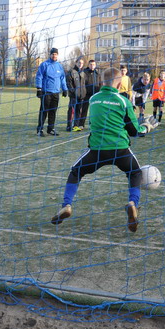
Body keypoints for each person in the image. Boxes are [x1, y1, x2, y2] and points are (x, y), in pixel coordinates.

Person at [51, 67, 158, 232]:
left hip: (97, 151)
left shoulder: (93, 99)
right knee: (135, 172)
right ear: (120, 83)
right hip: (120, 150)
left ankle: (67, 205)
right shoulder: (123, 101)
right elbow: (134, 131)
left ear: (102, 82)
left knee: (76, 172)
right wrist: (146, 127)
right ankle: (132, 203)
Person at [35, 48, 68, 137]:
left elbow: (62, 78)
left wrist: (65, 89)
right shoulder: (44, 65)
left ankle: (50, 129)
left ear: (57, 55)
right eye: (53, 54)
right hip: (46, 92)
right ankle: (40, 129)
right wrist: (39, 89)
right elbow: (39, 77)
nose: (54, 56)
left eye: (56, 54)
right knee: (44, 111)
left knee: (53, 111)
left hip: (56, 93)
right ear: (50, 55)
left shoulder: (59, 66)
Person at [75, 59, 99, 130]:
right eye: (91, 64)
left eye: (93, 64)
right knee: (84, 110)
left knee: (95, 110)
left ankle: (93, 124)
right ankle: (81, 124)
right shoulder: (84, 72)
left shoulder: (97, 73)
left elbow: (99, 83)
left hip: (95, 95)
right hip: (86, 95)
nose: (92, 66)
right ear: (88, 65)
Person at [66, 57, 85, 132]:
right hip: (73, 96)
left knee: (78, 111)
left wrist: (83, 93)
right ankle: (69, 126)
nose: (80, 64)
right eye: (79, 63)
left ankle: (75, 126)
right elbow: (69, 83)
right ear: (76, 63)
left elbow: (83, 85)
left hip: (80, 96)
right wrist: (73, 92)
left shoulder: (83, 73)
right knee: (71, 111)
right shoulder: (71, 72)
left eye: (82, 63)